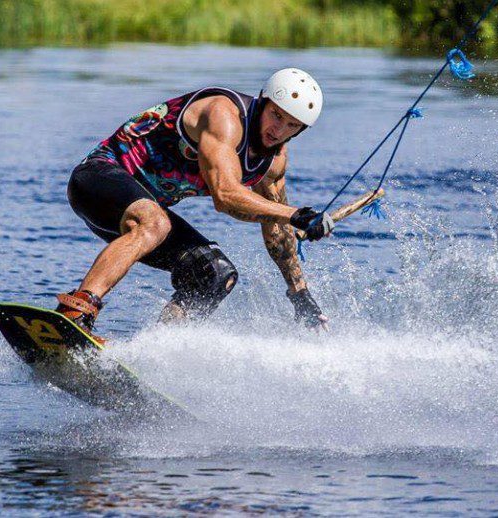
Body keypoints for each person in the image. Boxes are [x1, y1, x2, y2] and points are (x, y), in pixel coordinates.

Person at [56, 68, 334, 342]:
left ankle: (158, 349)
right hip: (96, 179)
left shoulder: (273, 164)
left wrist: (299, 294)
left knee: (214, 274)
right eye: (276, 115)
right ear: (263, 102)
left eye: (292, 125)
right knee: (155, 222)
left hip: (140, 215)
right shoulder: (224, 115)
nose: (279, 130)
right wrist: (296, 214)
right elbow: (225, 195)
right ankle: (75, 313)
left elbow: (275, 227)